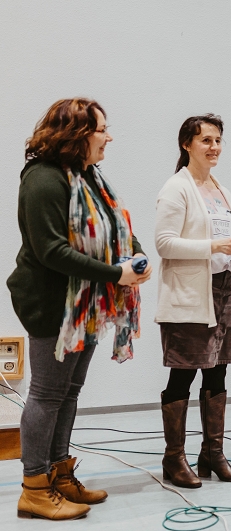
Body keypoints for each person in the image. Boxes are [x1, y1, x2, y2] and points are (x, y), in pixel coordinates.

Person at [8, 98, 151, 520]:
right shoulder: (43, 179)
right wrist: (116, 273)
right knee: (46, 394)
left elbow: (114, 225)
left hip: (86, 303)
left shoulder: (87, 175)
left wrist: (135, 256)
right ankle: (34, 488)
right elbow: (51, 250)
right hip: (53, 303)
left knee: (68, 392)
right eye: (102, 130)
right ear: (77, 134)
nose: (109, 137)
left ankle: (59, 472)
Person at [155, 114, 231, 488]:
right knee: (183, 373)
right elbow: (164, 243)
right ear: (187, 144)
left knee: (218, 372)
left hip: (224, 288)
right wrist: (214, 246)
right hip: (190, 296)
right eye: (206, 140)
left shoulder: (221, 189)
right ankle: (174, 458)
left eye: (218, 141)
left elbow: (219, 241)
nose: (214, 147)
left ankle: (212, 454)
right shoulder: (176, 187)